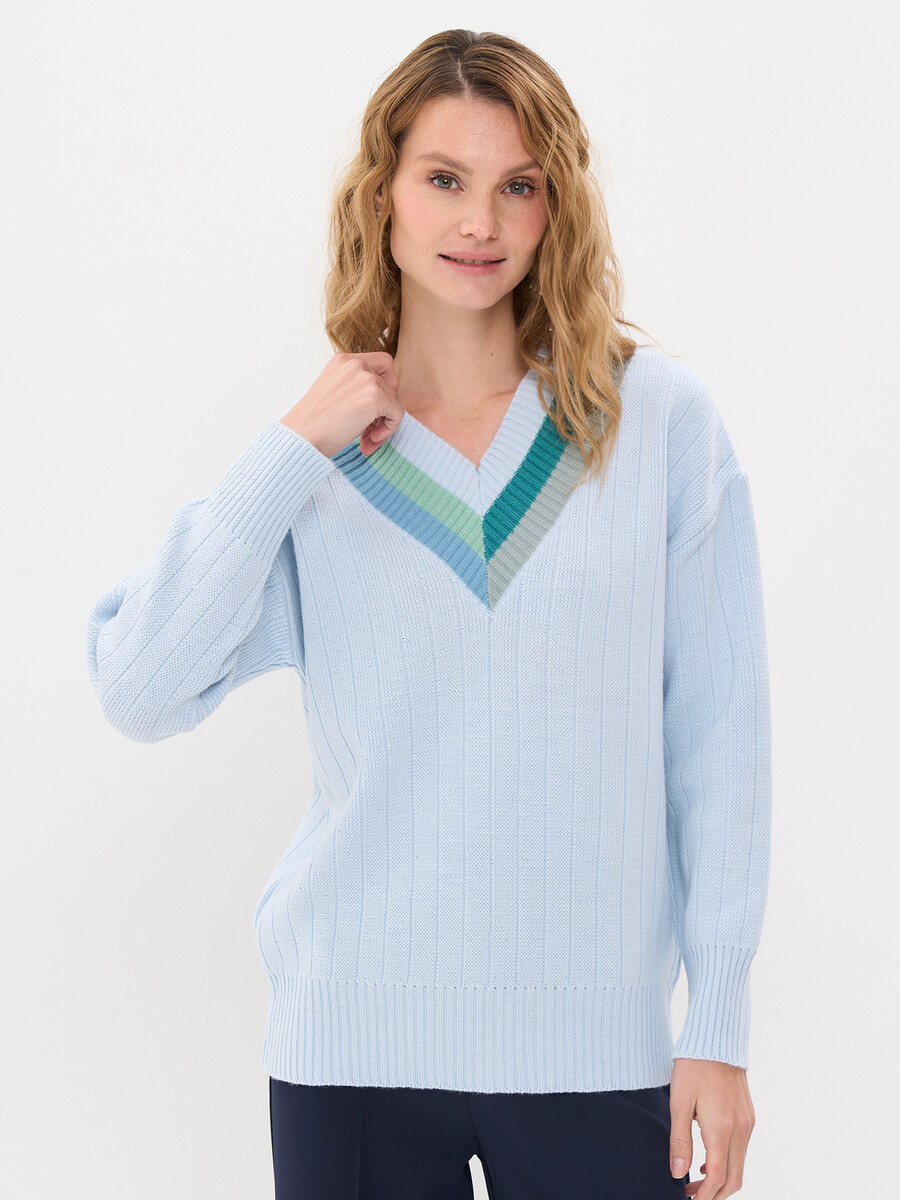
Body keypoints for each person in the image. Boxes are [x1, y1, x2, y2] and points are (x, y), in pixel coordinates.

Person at [85, 27, 771, 1200]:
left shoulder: (658, 424)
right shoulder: (322, 463)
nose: (480, 224)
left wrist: (719, 1022)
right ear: (383, 195)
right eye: (445, 179)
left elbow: (720, 737)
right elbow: (139, 690)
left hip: (596, 1055)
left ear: (557, 207)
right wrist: (286, 450)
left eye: (519, 186)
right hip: (350, 1056)